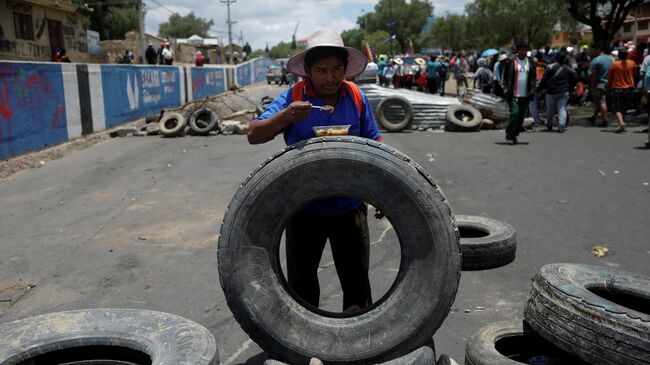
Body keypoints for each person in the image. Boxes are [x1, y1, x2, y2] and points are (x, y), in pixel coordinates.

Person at [248, 29, 382, 312]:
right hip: (304, 209)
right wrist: (286, 116)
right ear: (307, 71)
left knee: (357, 285)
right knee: (302, 287)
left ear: (346, 69)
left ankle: (358, 345)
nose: (330, 78)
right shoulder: (293, 97)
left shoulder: (356, 96)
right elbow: (255, 134)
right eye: (321, 70)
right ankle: (307, 348)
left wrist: (385, 193)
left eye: (337, 69)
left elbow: (376, 147)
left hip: (350, 208)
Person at [502, 40, 537, 144]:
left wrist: (533, 89)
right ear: (517, 50)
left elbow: (533, 78)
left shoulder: (530, 62)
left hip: (525, 94)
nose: (524, 51)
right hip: (513, 93)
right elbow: (505, 77)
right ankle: (509, 135)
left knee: (521, 117)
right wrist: (505, 88)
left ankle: (514, 135)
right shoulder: (511, 61)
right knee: (515, 113)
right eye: (522, 49)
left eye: (526, 49)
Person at [539, 52, 577, 133]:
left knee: (550, 109)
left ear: (555, 58)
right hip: (563, 91)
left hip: (551, 92)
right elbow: (575, 76)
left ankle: (549, 125)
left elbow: (544, 79)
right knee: (562, 108)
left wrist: (539, 89)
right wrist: (570, 86)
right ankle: (561, 126)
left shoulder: (550, 67)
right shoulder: (568, 68)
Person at [607, 48, 636, 133]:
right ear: (627, 55)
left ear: (619, 55)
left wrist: (608, 86)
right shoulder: (632, 63)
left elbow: (610, 77)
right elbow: (634, 73)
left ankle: (621, 123)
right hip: (629, 88)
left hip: (617, 88)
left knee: (616, 107)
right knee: (624, 107)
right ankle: (623, 121)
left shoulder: (615, 64)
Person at [588, 43, 613, 127]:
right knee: (599, 101)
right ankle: (594, 117)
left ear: (598, 50)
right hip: (608, 83)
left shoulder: (596, 60)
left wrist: (592, 84)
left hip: (599, 83)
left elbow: (594, 74)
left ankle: (605, 120)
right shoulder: (611, 59)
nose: (592, 51)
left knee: (602, 102)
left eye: (593, 50)